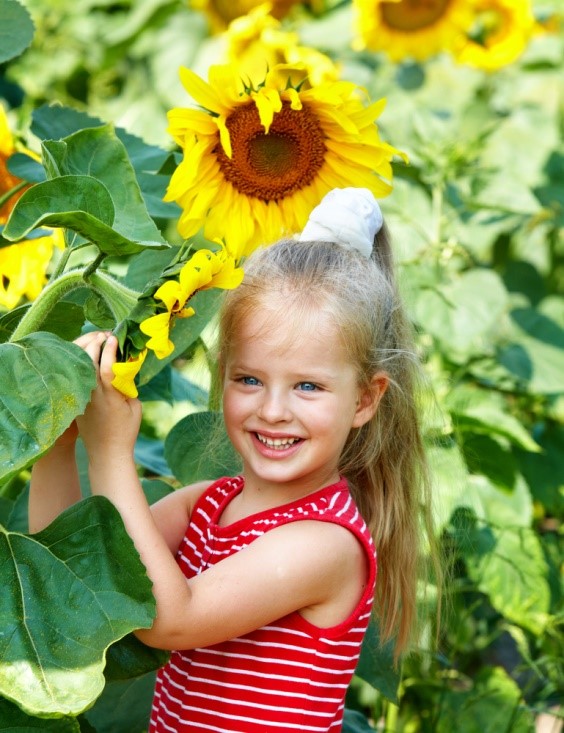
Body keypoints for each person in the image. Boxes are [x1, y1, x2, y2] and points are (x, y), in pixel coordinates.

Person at [29, 188, 436, 733]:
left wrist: (107, 451)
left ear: (365, 399)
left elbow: (173, 621)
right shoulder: (207, 505)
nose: (273, 410)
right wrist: (57, 436)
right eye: (249, 379)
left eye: (308, 387)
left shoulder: (325, 543)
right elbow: (72, 569)